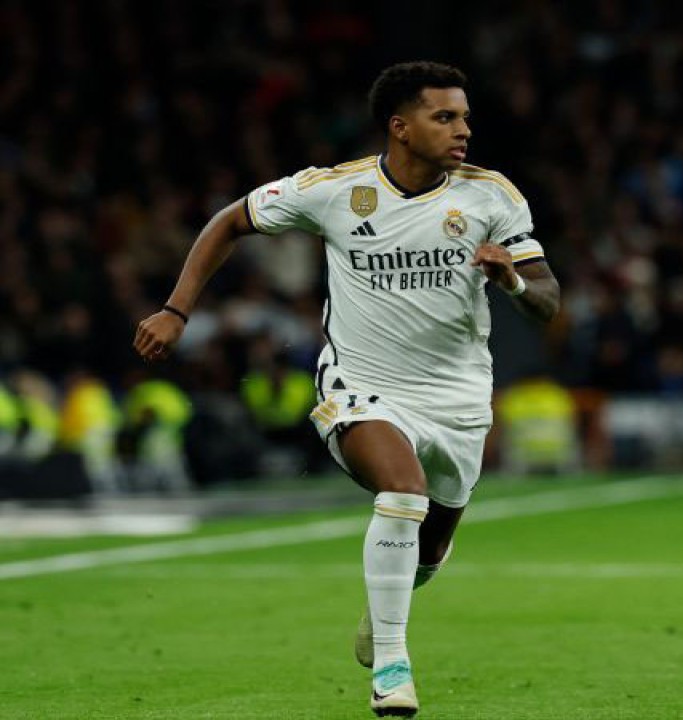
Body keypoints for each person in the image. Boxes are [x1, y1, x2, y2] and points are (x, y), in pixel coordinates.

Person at [133, 61, 560, 717]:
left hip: (459, 398)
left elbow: (548, 301)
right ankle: (393, 668)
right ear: (400, 126)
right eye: (444, 116)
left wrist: (510, 282)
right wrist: (176, 309)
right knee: (402, 492)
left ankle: (387, 603)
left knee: (433, 543)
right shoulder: (334, 191)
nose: (463, 129)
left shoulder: (491, 197)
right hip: (363, 384)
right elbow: (230, 221)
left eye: (465, 116)